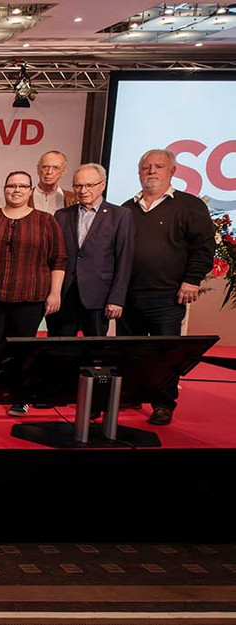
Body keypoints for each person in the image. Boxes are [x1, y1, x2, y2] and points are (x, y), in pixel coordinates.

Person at [119, 148, 214, 426]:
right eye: (146, 167)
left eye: (158, 166)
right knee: (130, 351)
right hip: (128, 295)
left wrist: (192, 279)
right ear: (139, 172)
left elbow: (203, 247)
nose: (151, 171)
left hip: (168, 296)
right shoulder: (127, 208)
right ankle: (132, 394)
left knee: (166, 353)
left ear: (172, 171)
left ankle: (163, 403)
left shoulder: (189, 205)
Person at [0, 171, 66, 416]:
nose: (16, 190)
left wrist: (55, 293)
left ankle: (20, 396)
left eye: (22, 186)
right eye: (12, 186)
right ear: (4, 189)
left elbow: (58, 259)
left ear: (30, 190)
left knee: (22, 348)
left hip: (29, 295)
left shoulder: (45, 221)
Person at [47, 164, 134, 339]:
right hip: (65, 294)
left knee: (94, 350)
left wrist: (116, 298)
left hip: (99, 297)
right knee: (58, 347)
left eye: (89, 185)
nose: (83, 190)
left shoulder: (120, 215)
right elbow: (55, 256)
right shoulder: (62, 215)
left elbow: (124, 260)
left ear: (102, 185)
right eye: (78, 185)